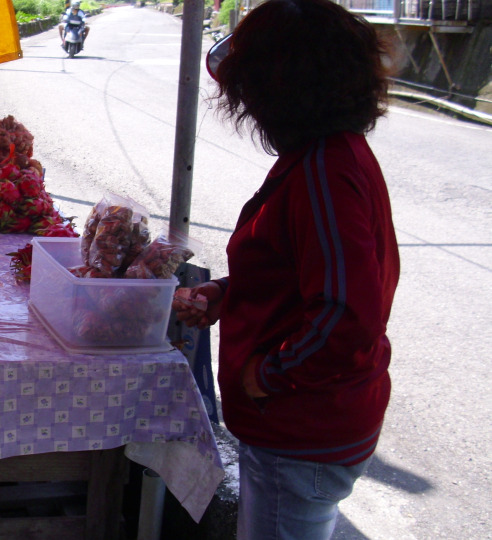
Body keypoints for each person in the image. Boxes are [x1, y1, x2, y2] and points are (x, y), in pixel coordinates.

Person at [175, 0, 400, 538]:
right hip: (305, 424)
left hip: (302, 427)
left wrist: (268, 376)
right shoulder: (324, 156)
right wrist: (229, 292)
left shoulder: (325, 171)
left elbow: (346, 315)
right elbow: (301, 273)